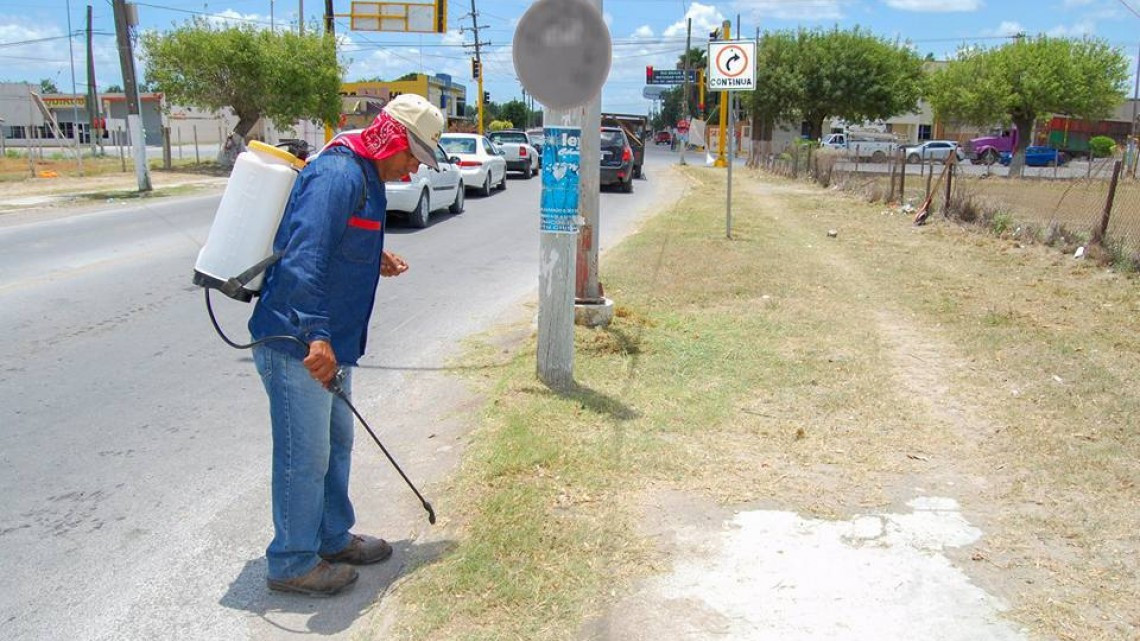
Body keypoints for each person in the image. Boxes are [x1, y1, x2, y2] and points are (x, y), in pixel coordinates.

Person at [248, 94, 446, 596]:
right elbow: (303, 257)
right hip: (299, 342)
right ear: (393, 141)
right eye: (411, 157)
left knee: (337, 444)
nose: (410, 170)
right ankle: (292, 561)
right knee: (304, 456)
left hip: (330, 342)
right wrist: (316, 334)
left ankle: (332, 537)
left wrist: (374, 253)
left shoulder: (368, 177)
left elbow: (340, 240)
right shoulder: (338, 174)